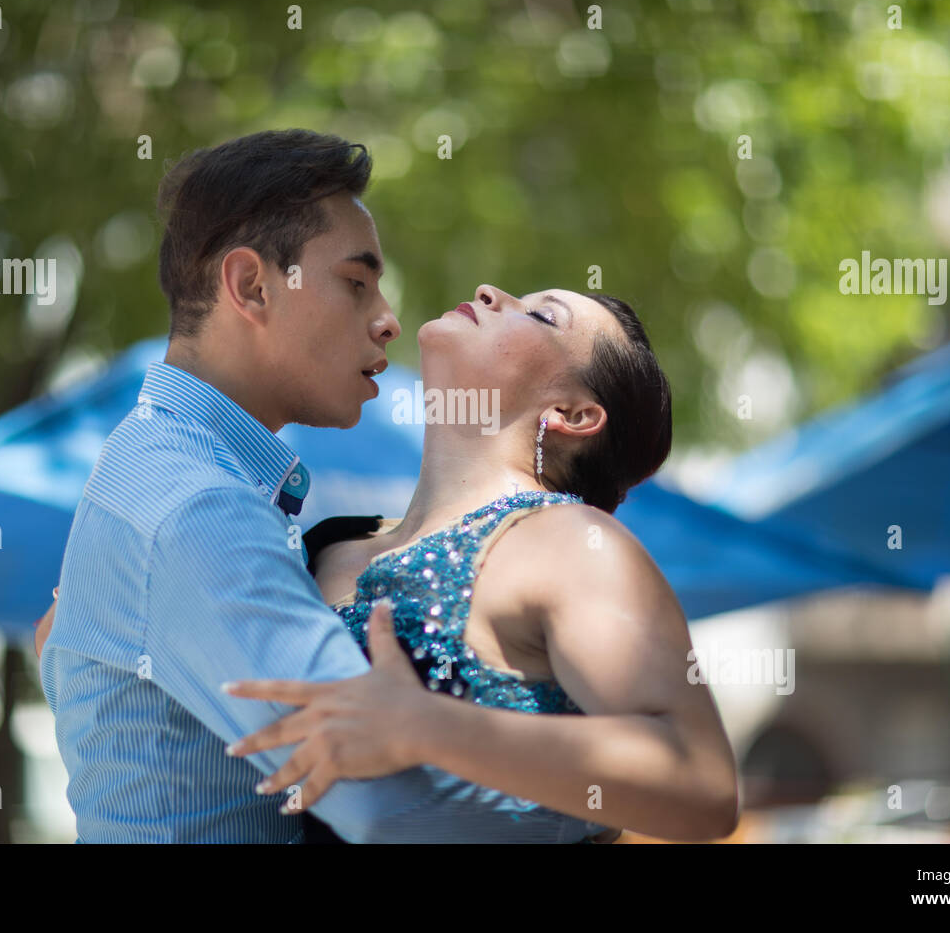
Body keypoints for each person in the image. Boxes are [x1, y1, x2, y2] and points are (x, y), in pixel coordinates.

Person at [38, 128, 610, 842]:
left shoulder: (157, 468)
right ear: (251, 286)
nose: (388, 321)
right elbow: (376, 802)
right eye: (355, 283)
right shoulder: (200, 505)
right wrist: (593, 810)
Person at [226, 285, 740, 842]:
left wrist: (426, 725)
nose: (490, 292)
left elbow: (702, 785)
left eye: (542, 315)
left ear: (572, 414)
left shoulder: (570, 544)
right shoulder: (325, 543)